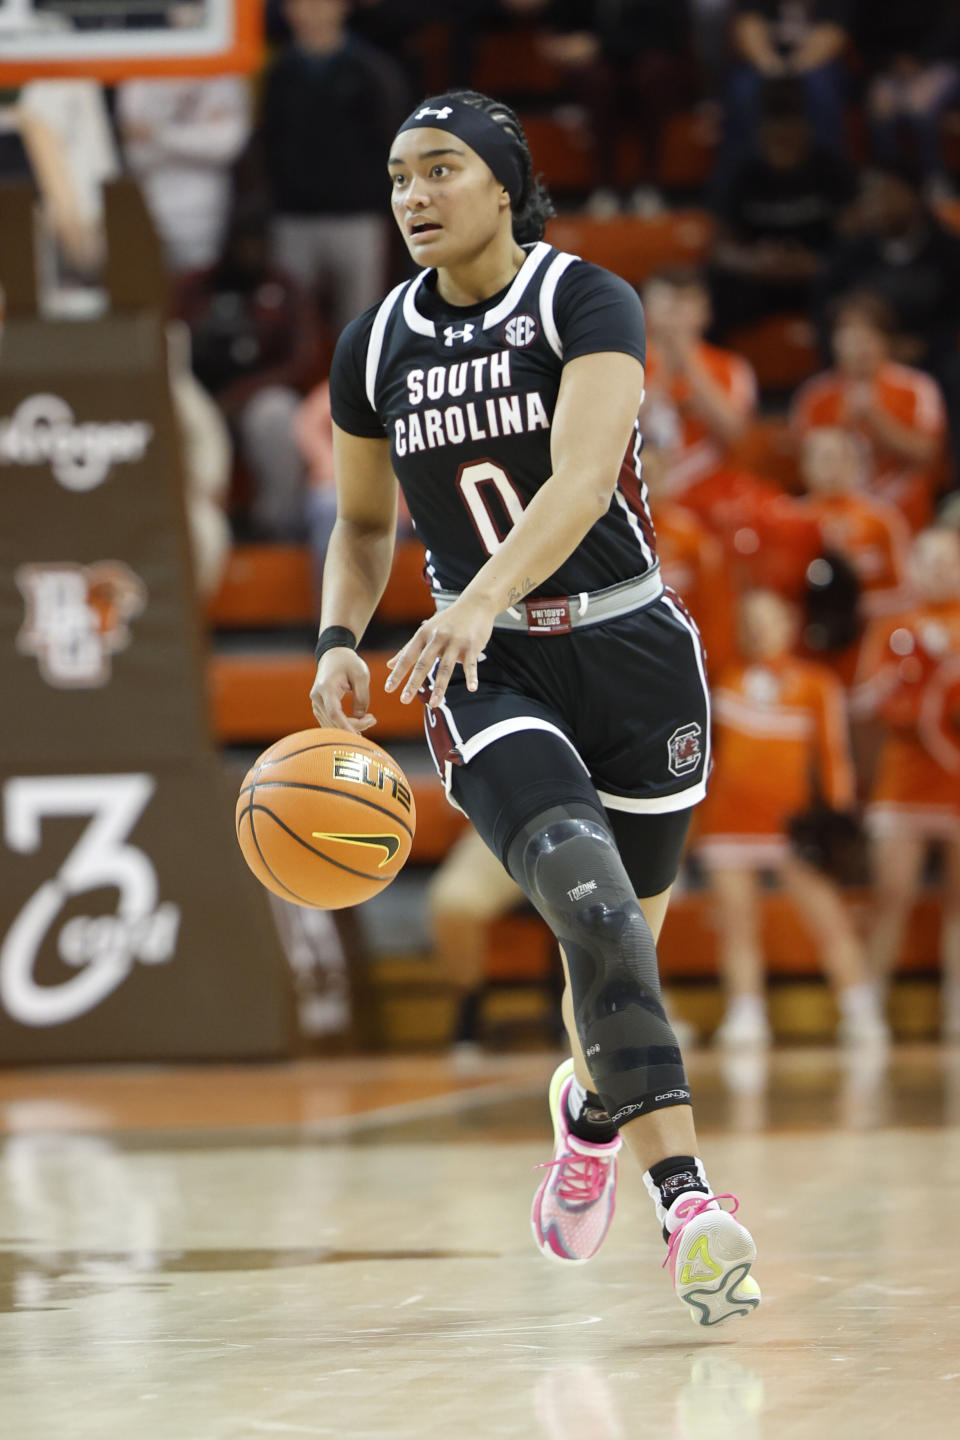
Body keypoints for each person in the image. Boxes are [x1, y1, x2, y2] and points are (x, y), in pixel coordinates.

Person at [308, 88, 760, 1324]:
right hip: (490, 669)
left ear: (503, 183)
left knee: (624, 952)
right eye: (399, 176)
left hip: (632, 652)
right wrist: (344, 636)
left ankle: (588, 1106)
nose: (413, 196)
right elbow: (358, 524)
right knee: (592, 907)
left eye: (440, 170)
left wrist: (482, 590)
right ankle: (691, 1206)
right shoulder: (373, 344)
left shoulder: (583, 299)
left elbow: (580, 474)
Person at [696, 589, 888, 1046]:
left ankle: (860, 1008)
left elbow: (834, 755)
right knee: (737, 921)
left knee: (827, 917)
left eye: (769, 618)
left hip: (792, 827)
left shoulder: (815, 683)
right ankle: (745, 1013)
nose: (760, 629)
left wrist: (837, 817)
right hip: (728, 823)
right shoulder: (723, 680)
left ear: (790, 624)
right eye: (751, 620)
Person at [852, 527, 960, 1035]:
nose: (938, 570)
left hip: (955, 779)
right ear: (912, 568)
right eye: (929, 561)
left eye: (948, 561)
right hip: (904, 781)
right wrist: (910, 684)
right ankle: (868, 1003)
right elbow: (871, 702)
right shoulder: (892, 626)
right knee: (891, 892)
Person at [260, 0, 410, 338]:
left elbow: (393, 142)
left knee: (360, 326)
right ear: (287, 10)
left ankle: (356, 392)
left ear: (342, 7)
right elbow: (269, 142)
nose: (312, 12)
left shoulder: (373, 69)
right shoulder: (278, 73)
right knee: (291, 327)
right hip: (294, 217)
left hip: (357, 216)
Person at [708, 78, 857, 341]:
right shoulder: (737, 172)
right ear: (761, 131)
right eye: (776, 140)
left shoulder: (832, 168)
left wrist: (819, 263)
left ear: (806, 128)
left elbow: (855, 241)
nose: (783, 146)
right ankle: (713, 376)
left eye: (790, 137)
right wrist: (752, 261)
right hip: (758, 278)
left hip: (817, 277)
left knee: (851, 293)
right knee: (712, 296)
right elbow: (720, 248)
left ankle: (843, 379)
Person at [792, 291, 947, 531]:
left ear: (885, 340)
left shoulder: (916, 387)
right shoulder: (814, 395)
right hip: (835, 516)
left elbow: (927, 452)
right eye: (849, 338)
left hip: (904, 507)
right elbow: (809, 462)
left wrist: (876, 418)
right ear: (834, 342)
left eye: (866, 337)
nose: (858, 347)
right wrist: (845, 422)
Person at [641, 267, 758, 498]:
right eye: (667, 304)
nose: (675, 314)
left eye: (684, 304)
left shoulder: (731, 367)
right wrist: (663, 374)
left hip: (708, 488)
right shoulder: (625, 362)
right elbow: (615, 427)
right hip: (643, 484)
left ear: (704, 311)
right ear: (646, 309)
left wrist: (691, 367)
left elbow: (736, 433)